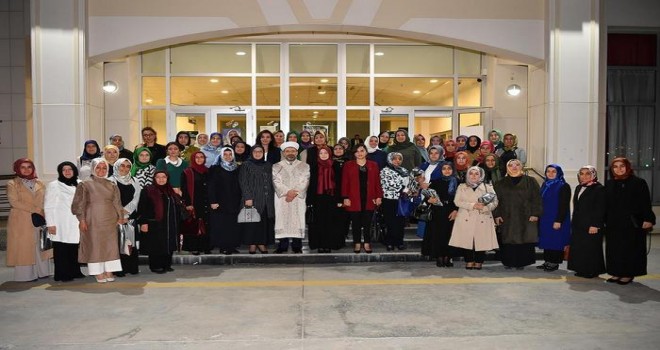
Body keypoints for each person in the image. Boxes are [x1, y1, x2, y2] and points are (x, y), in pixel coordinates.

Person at [72, 158, 125, 283]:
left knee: (111, 245)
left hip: (110, 218)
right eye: (98, 168)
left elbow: (117, 202)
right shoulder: (85, 184)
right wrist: (82, 220)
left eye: (104, 168)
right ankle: (98, 272)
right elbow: (79, 204)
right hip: (92, 218)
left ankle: (109, 270)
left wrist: (121, 217)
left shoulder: (112, 184)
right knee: (95, 244)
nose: (101, 170)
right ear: (93, 169)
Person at [604, 158, 656, 285]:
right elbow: (606, 204)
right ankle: (616, 272)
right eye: (615, 166)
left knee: (630, 249)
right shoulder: (610, 183)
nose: (619, 169)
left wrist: (648, 219)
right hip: (614, 224)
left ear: (628, 167)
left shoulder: (638, 182)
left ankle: (628, 274)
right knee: (614, 249)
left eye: (622, 166)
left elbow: (645, 203)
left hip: (632, 223)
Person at [493, 159, 542, 270]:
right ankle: (509, 262)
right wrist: (497, 214)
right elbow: (496, 201)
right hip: (507, 215)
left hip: (526, 215)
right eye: (511, 165)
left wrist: (535, 213)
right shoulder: (500, 183)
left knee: (524, 238)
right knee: (508, 239)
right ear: (507, 167)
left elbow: (537, 199)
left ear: (521, 167)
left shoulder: (531, 181)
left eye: (517, 164)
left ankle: (522, 262)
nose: (514, 167)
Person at [6, 158, 50, 282]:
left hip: (40, 219)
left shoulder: (39, 183)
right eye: (23, 167)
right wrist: (37, 209)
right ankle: (25, 276)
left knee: (40, 245)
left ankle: (42, 272)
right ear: (17, 169)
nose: (26, 170)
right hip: (21, 219)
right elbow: (14, 202)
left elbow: (45, 199)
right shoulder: (12, 184)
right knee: (24, 247)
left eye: (29, 167)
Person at [449, 166, 499, 270]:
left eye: (476, 174)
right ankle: (469, 261)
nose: (473, 176)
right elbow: (457, 201)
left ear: (481, 175)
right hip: (466, 216)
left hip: (483, 217)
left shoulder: (487, 187)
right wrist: (473, 205)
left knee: (481, 241)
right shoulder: (462, 186)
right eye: (471, 173)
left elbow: (495, 202)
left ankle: (479, 261)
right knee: (467, 240)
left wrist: (485, 207)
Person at [45, 161, 85, 282]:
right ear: (60, 172)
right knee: (61, 249)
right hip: (60, 222)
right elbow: (48, 205)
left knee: (74, 248)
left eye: (70, 169)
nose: (67, 172)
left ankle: (75, 271)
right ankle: (62, 274)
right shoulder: (54, 185)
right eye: (64, 170)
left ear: (74, 171)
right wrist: (50, 223)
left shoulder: (80, 183)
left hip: (75, 221)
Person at [137, 170, 182, 274]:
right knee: (156, 246)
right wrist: (143, 223)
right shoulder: (148, 190)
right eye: (158, 177)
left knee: (168, 244)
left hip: (169, 223)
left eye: (164, 177)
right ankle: (156, 266)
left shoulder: (170, 191)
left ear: (167, 179)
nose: (161, 179)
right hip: (155, 223)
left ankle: (166, 264)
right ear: (154, 179)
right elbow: (142, 207)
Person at [342, 144, 383, 253]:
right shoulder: (348, 165)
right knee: (355, 222)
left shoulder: (373, 165)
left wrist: (379, 196)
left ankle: (367, 242)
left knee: (367, 223)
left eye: (362, 151)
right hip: (354, 198)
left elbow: (377, 183)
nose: (359, 153)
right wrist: (345, 197)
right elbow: (345, 182)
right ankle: (357, 243)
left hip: (370, 198)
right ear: (354, 153)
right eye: (357, 151)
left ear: (366, 152)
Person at [567, 166, 606, 279]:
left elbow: (600, 208)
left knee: (591, 248)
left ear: (593, 175)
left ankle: (592, 270)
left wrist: (595, 225)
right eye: (582, 174)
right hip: (579, 224)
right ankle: (581, 268)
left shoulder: (599, 189)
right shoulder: (579, 187)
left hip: (592, 224)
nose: (584, 176)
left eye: (587, 174)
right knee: (580, 247)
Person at [272, 142, 310, 253]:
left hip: (298, 198)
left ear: (297, 152)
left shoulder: (305, 166)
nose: (290, 153)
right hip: (282, 199)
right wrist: (287, 192)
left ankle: (297, 246)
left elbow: (305, 181)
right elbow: (276, 182)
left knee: (297, 220)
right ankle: (282, 245)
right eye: (287, 151)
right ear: (283, 153)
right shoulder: (276, 166)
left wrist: (293, 193)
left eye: (293, 151)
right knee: (282, 220)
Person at [239, 145, 275, 254]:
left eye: (260, 151)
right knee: (252, 224)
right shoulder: (246, 165)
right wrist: (248, 197)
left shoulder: (268, 165)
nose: (258, 153)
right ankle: (252, 245)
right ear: (251, 152)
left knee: (263, 224)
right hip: (252, 199)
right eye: (255, 151)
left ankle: (262, 244)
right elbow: (243, 182)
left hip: (267, 200)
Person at [109, 158, 142, 276]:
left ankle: (131, 267)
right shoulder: (110, 181)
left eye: (128, 166)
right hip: (115, 218)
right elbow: (110, 199)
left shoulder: (134, 180)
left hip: (130, 217)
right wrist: (119, 214)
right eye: (122, 166)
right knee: (117, 243)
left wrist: (126, 213)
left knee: (130, 242)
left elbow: (136, 198)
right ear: (117, 166)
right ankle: (119, 270)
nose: (125, 168)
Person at [422, 161, 458, 267]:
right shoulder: (435, 182)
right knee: (438, 235)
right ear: (440, 170)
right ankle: (439, 256)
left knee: (450, 235)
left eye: (449, 168)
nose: (447, 171)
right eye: (444, 169)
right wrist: (429, 200)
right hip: (438, 211)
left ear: (453, 170)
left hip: (452, 211)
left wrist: (456, 210)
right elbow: (427, 196)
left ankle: (448, 256)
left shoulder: (458, 182)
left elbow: (461, 198)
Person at [307, 146, 343, 253]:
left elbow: (339, 183)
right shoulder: (313, 166)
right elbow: (310, 184)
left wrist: (340, 199)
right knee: (318, 223)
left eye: (325, 153)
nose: (323, 155)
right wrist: (309, 201)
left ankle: (329, 244)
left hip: (332, 197)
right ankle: (319, 244)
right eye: (321, 153)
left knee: (330, 222)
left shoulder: (335, 165)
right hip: (317, 198)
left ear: (329, 154)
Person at [537, 164, 571, 272]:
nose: (550, 174)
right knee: (547, 240)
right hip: (545, 218)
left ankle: (554, 262)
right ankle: (547, 261)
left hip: (556, 218)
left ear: (559, 173)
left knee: (556, 240)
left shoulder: (563, 186)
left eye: (553, 172)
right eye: (548, 171)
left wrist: (558, 220)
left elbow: (564, 206)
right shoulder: (545, 184)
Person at [208, 147, 243, 255]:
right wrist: (213, 201)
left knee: (233, 225)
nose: (228, 157)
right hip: (220, 202)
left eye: (230, 154)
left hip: (235, 202)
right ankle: (223, 247)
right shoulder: (215, 168)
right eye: (225, 154)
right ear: (221, 156)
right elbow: (211, 186)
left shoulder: (238, 168)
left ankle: (232, 246)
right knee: (222, 225)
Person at [180, 151, 212, 255]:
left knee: (206, 225)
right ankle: (194, 247)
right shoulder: (187, 172)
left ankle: (205, 247)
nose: (199, 159)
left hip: (206, 202)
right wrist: (188, 203)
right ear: (193, 159)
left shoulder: (208, 171)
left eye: (201, 157)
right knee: (193, 225)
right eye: (197, 157)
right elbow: (184, 189)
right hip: (193, 202)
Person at [380, 152, 410, 251]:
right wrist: (402, 188)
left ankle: (399, 242)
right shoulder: (385, 170)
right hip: (389, 200)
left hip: (402, 200)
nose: (397, 161)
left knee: (400, 222)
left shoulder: (404, 170)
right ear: (390, 159)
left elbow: (409, 184)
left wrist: (406, 189)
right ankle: (390, 243)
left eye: (399, 159)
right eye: (394, 159)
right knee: (390, 222)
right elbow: (388, 185)